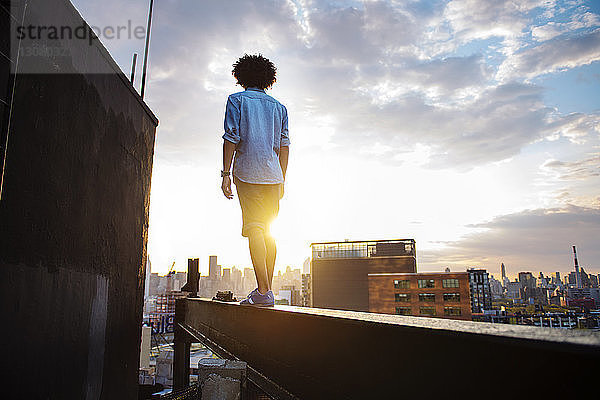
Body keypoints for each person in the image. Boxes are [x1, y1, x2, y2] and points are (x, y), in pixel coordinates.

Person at [220, 54, 289, 307]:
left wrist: (225, 174)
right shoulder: (279, 107)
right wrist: (282, 180)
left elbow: (231, 138)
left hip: (248, 174)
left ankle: (263, 291)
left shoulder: (236, 100)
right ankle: (265, 290)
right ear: (268, 79)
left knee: (256, 229)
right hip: (273, 176)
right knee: (268, 231)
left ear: (241, 76)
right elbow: (284, 146)